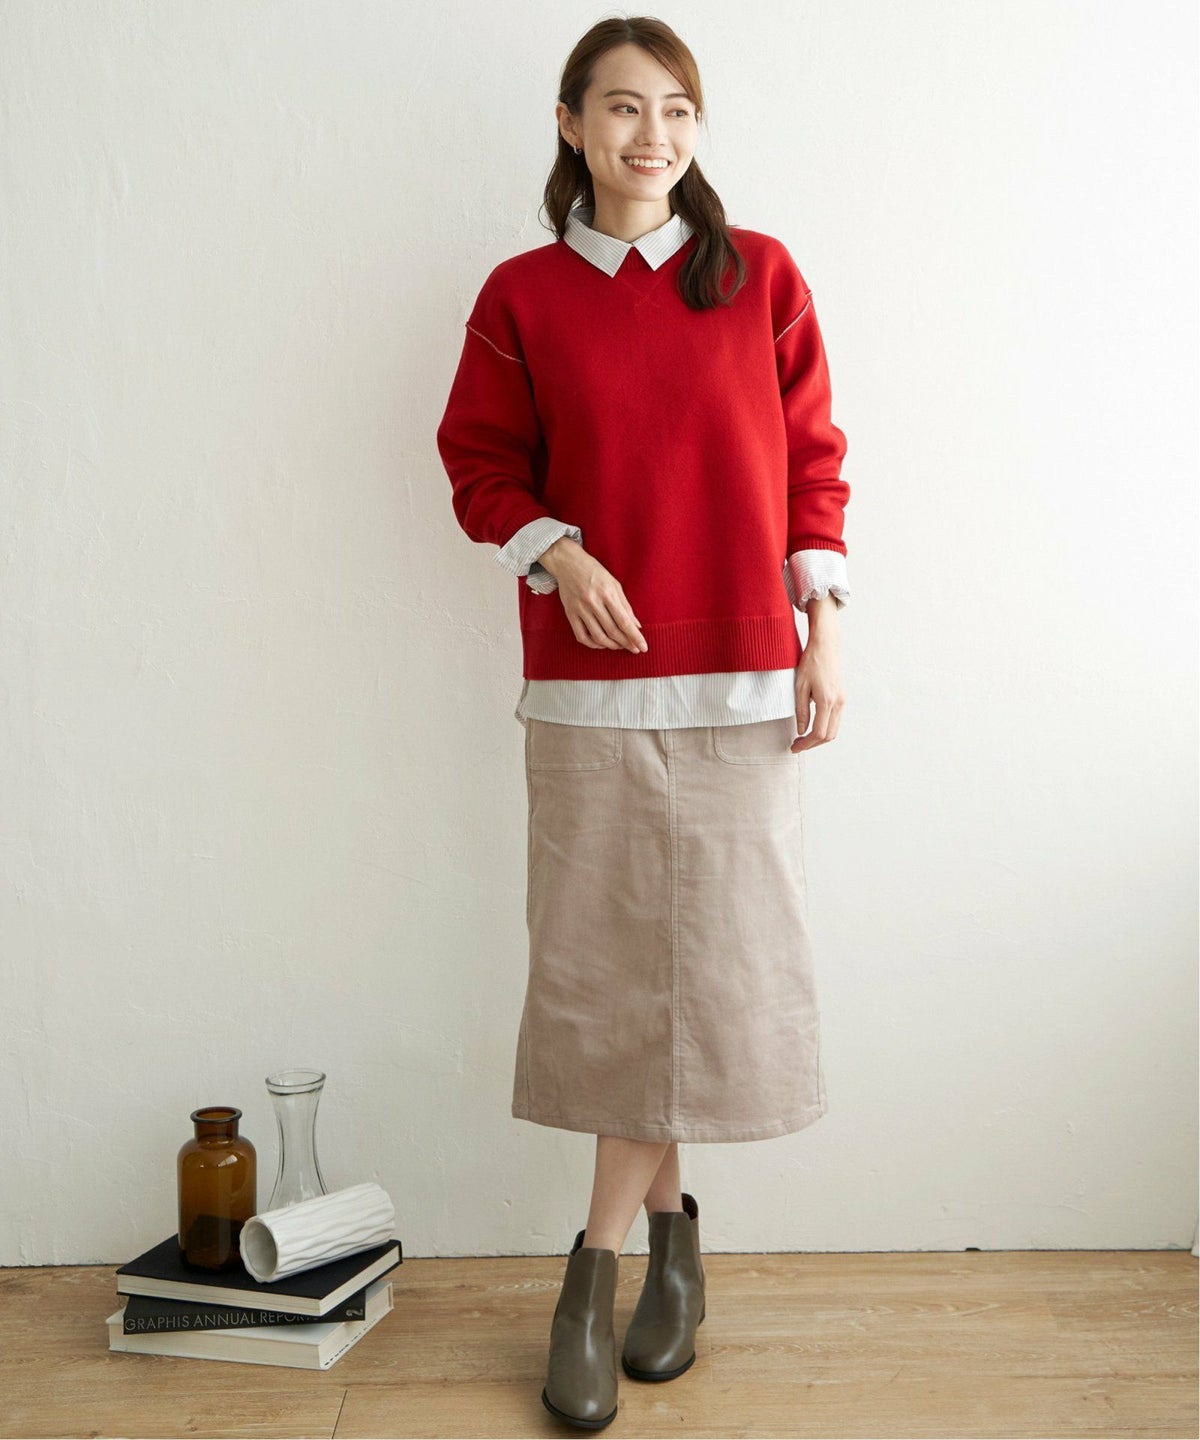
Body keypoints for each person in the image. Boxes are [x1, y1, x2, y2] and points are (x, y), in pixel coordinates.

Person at [436, 16, 849, 1431]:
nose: (651, 135)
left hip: (741, 685)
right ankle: (667, 1251)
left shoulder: (763, 279)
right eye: (621, 108)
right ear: (571, 124)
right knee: (613, 980)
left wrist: (825, 624)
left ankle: (597, 1269)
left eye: (675, 109)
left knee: (704, 981)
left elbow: (812, 465)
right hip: (587, 691)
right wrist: (558, 552)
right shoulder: (520, 296)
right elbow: (477, 463)